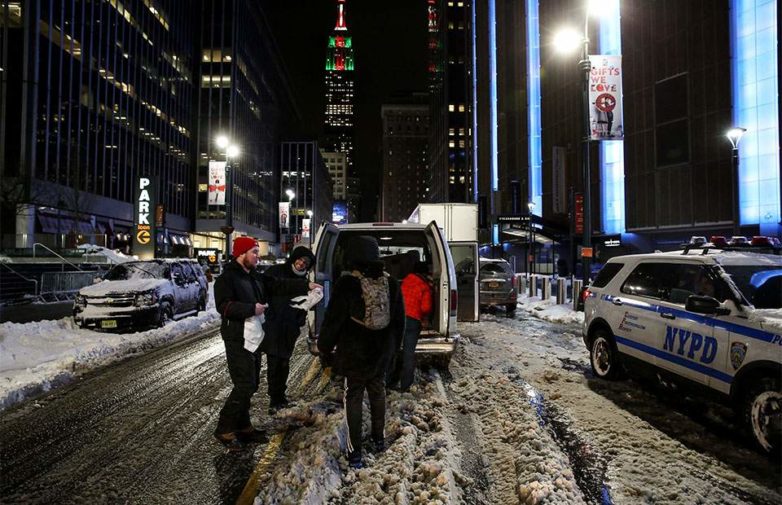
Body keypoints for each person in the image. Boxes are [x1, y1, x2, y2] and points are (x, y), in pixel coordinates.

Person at [213, 236, 319, 451]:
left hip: (253, 337)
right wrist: (252, 309)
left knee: (251, 384)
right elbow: (223, 306)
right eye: (254, 252)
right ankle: (224, 428)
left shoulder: (253, 277)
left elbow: (278, 284)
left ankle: (243, 426)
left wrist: (306, 285)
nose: (257, 256)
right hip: (237, 337)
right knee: (245, 384)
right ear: (241, 253)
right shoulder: (228, 278)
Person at [317, 236, 405, 469]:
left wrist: (324, 348)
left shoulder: (347, 284)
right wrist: (394, 350)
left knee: (353, 396)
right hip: (380, 352)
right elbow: (399, 321)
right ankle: (378, 439)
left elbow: (333, 320)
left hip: (355, 353)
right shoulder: (392, 282)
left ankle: (355, 452)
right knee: (378, 392)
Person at [261, 246, 316, 414]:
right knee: (274, 361)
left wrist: (298, 320)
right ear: (294, 258)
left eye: (305, 263)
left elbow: (303, 304)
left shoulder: (305, 280)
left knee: (284, 362)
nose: (301, 264)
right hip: (273, 324)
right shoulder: (276, 271)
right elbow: (265, 291)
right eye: (299, 259)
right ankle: (274, 399)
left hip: (289, 327)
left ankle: (280, 396)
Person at [388, 261, 432, 392]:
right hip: (413, 321)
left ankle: (388, 381)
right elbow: (425, 307)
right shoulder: (424, 286)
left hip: (398, 319)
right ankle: (405, 385)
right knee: (408, 353)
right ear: (424, 273)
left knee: (393, 351)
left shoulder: (406, 280)